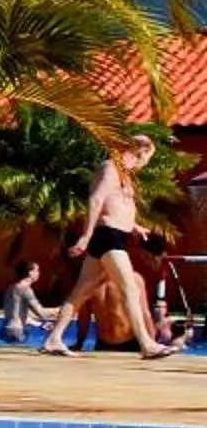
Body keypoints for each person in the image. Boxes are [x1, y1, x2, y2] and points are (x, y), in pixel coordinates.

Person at [42, 134, 178, 360]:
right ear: (140, 151)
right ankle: (147, 344)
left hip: (115, 235)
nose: (146, 163)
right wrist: (85, 237)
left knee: (80, 292)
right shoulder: (110, 168)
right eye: (147, 158)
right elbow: (96, 200)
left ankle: (53, 339)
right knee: (130, 289)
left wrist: (135, 226)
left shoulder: (123, 175)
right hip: (108, 237)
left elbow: (114, 205)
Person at [0, 259, 65, 345]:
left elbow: (16, 315)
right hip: (17, 332)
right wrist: (62, 310)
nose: (38, 273)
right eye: (37, 270)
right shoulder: (26, 289)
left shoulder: (11, 288)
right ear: (30, 273)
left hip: (4, 331)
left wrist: (40, 324)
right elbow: (41, 313)